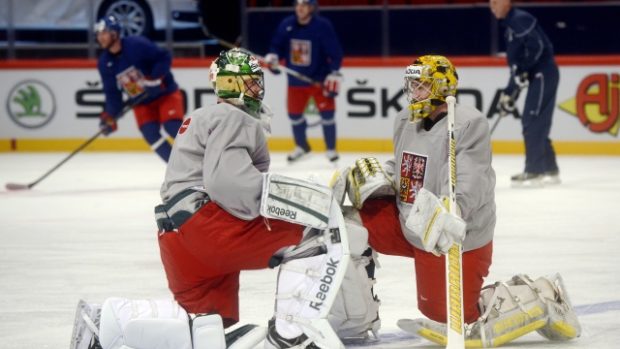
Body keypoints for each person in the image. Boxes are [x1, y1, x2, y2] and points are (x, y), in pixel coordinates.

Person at [332, 55, 581, 347]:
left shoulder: (468, 124)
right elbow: (407, 166)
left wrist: (454, 209)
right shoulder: (404, 119)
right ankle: (355, 318)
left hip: (452, 234)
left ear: (442, 87)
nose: (413, 91)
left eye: (421, 85)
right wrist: (377, 178)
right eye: (411, 84)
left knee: (447, 318)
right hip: (409, 222)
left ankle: (539, 296)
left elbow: (471, 180)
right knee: (346, 226)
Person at [95, 15, 185, 162]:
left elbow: (163, 57)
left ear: (115, 33)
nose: (100, 37)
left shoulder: (136, 44)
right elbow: (112, 94)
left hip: (165, 94)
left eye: (103, 33)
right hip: (141, 102)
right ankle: (177, 170)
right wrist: (109, 116)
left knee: (172, 127)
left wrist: (155, 79)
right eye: (98, 34)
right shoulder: (104, 63)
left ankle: (204, 161)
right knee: (150, 133)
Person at [490, 0, 561, 187]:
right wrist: (509, 93)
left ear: (507, 2)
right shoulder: (510, 27)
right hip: (537, 75)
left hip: (543, 74)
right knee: (535, 120)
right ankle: (549, 168)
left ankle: (535, 170)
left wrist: (524, 69)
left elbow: (536, 46)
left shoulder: (519, 19)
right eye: (491, 3)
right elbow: (516, 66)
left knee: (532, 119)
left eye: (496, 2)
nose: (492, 6)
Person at [264, 0, 343, 163]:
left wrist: (334, 72)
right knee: (294, 115)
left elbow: (335, 51)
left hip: (319, 80)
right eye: (297, 4)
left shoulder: (322, 26)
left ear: (311, 7)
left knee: (328, 114)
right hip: (295, 81)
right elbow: (276, 47)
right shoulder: (287, 25)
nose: (300, 7)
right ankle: (302, 147)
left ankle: (330, 149)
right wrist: (273, 57)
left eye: (304, 4)